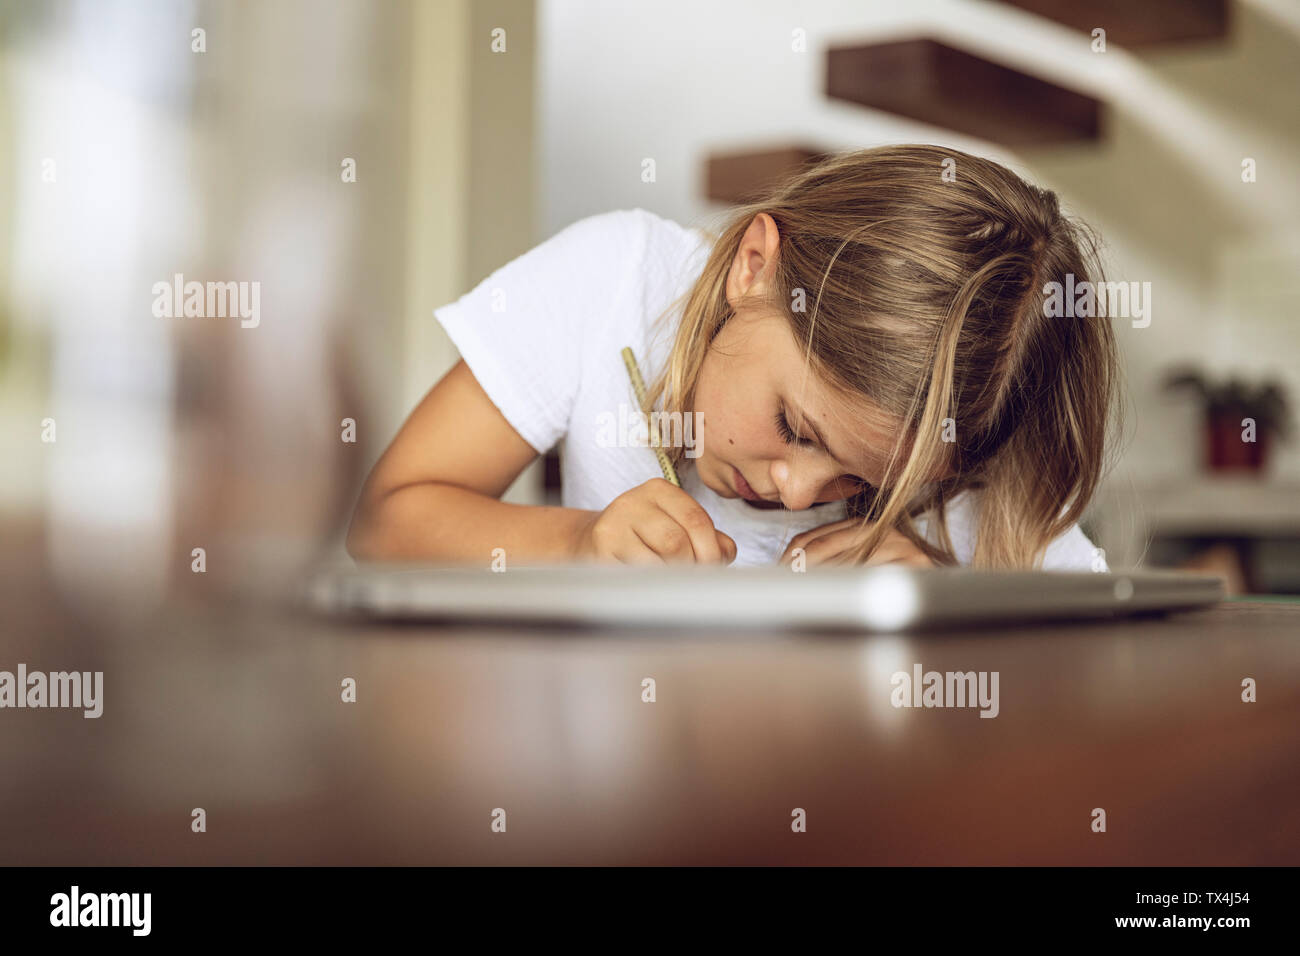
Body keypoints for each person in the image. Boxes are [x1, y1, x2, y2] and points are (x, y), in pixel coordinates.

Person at [347, 145, 1118, 569]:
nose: (795, 494)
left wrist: (931, 611)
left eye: (861, 483)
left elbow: (1097, 651)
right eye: (797, 426)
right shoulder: (612, 278)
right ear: (754, 266)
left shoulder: (969, 431)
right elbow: (386, 523)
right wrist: (576, 544)